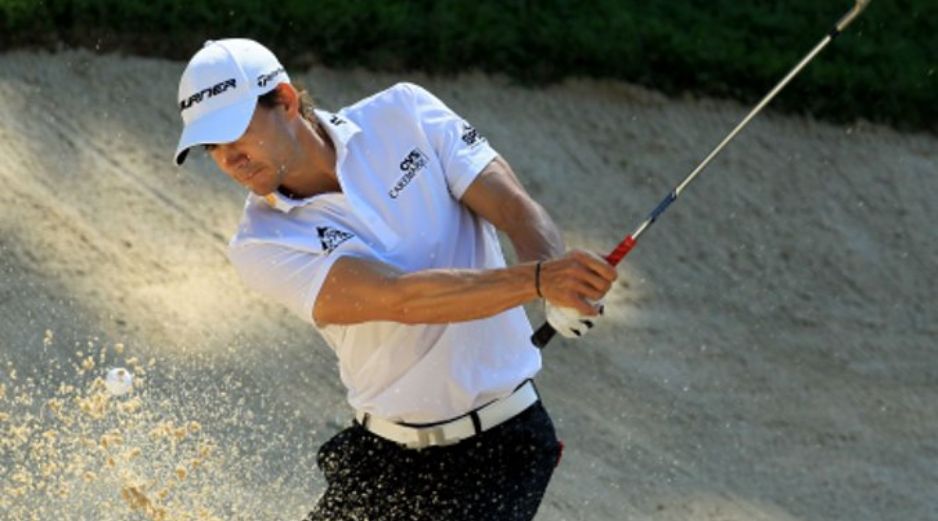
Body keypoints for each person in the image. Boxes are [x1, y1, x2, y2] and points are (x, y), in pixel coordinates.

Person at [173, 39, 618, 521]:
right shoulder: (261, 242)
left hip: (501, 453)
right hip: (383, 459)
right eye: (211, 147)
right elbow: (401, 299)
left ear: (285, 100)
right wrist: (539, 280)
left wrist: (555, 279)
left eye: (235, 134)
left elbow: (513, 207)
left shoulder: (405, 113)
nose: (227, 159)